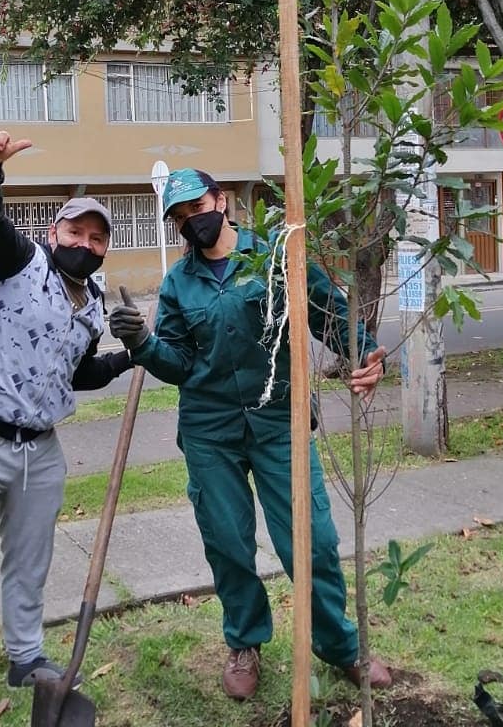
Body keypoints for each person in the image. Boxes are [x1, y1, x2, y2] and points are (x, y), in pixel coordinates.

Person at [109, 168, 390, 701]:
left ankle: (340, 646)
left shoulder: (276, 255)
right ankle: (244, 641)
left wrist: (362, 349)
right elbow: (178, 362)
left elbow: (327, 308)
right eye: (181, 217)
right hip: (209, 430)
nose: (193, 221)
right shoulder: (177, 284)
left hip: (279, 420)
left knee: (313, 541)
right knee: (228, 541)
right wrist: (144, 343)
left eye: (198, 207)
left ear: (222, 200)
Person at [0, 129, 133, 727]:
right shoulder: (21, 264)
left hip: (40, 450)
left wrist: (129, 354)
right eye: (74, 233)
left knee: (29, 562)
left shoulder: (90, 308)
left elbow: (78, 374)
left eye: (96, 239)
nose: (84, 245)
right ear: (53, 234)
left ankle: (25, 654)